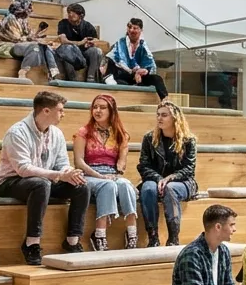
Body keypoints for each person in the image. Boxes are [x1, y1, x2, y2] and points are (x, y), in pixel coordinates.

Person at [0, 91, 92, 266]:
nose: (63, 114)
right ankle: (31, 243)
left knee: (81, 185)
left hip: (45, 180)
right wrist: (58, 175)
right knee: (41, 184)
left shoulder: (57, 134)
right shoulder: (17, 132)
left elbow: (62, 163)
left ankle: (72, 240)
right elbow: (23, 169)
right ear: (46, 111)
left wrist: (70, 173)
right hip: (11, 182)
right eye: (60, 110)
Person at [72, 94, 138, 251]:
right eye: (95, 107)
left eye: (102, 107)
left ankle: (132, 233)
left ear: (111, 111)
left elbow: (121, 163)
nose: (97, 110)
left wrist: (117, 172)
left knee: (126, 185)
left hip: (112, 173)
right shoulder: (83, 132)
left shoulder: (120, 134)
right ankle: (99, 234)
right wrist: (100, 176)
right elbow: (78, 162)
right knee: (108, 186)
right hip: (90, 174)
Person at [137, 101, 198, 247]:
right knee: (148, 189)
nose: (159, 118)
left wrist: (169, 178)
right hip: (155, 180)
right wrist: (159, 179)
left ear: (175, 118)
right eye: (158, 115)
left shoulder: (188, 140)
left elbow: (189, 169)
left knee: (170, 189)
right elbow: (143, 166)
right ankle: (153, 237)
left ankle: (173, 238)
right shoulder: (149, 138)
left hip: (183, 182)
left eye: (164, 115)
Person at [0, 0, 60, 82]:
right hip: (4, 46)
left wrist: (38, 38)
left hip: (19, 44)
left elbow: (29, 35)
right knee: (34, 47)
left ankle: (52, 73)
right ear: (21, 9)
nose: (31, 11)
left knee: (44, 46)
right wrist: (34, 39)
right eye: (29, 8)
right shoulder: (10, 19)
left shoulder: (23, 20)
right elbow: (16, 38)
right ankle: (22, 72)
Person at [106, 18, 169, 99]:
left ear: (140, 30)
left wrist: (143, 71)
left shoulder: (143, 45)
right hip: (123, 75)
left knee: (157, 78)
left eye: (135, 28)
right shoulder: (120, 43)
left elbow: (150, 65)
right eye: (130, 27)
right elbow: (112, 60)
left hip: (139, 76)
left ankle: (165, 100)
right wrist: (133, 72)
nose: (131, 30)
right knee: (121, 83)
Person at [55, 3, 104, 83]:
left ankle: (91, 78)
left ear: (81, 15)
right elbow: (63, 40)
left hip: (84, 51)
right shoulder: (63, 23)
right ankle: (72, 79)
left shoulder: (87, 26)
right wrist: (79, 43)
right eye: (69, 12)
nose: (70, 15)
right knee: (67, 49)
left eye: (73, 13)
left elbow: (95, 40)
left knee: (95, 51)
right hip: (70, 51)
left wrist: (91, 43)